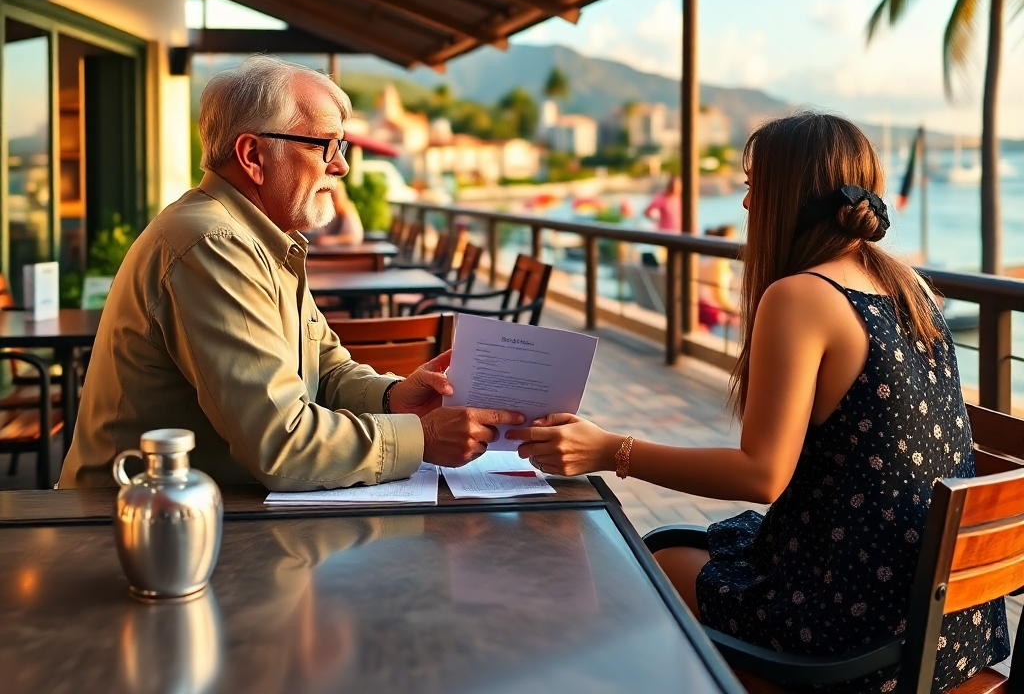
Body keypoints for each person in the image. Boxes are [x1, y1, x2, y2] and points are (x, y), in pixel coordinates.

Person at [509, 112, 1008, 692]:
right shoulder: (907, 284)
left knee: (645, 564)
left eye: (753, 187)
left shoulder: (802, 296)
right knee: (679, 544)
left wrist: (610, 449)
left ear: (788, 196)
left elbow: (763, 475)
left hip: (861, 636)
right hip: (949, 622)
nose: (745, 206)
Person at [60, 56, 521, 489]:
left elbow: (326, 367)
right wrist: (423, 438)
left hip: (214, 512)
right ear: (253, 156)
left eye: (341, 146)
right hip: (130, 527)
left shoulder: (262, 237)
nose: (340, 165)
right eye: (324, 145)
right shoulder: (214, 245)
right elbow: (280, 444)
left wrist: (394, 397)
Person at [697, 224, 740, 330]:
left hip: (702, 306)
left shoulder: (711, 259)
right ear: (726, 237)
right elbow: (720, 296)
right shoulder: (720, 263)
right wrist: (737, 311)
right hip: (708, 310)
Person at [307, 178, 364, 246]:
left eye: (332, 195)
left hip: (341, 253)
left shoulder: (347, 212)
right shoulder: (327, 212)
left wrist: (332, 240)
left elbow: (355, 237)